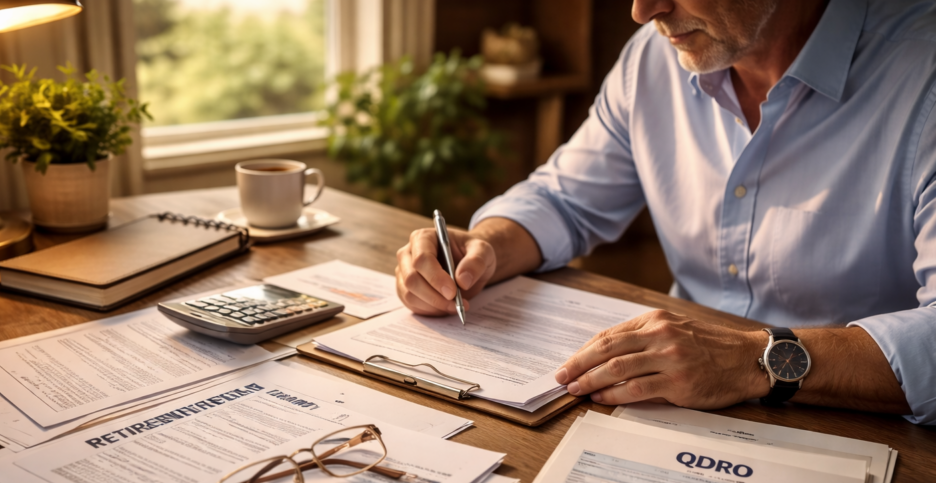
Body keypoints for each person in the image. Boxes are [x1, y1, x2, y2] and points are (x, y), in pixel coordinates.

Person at [394, 0, 936, 425]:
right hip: (673, 405)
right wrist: (486, 245)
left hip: (865, 429)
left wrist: (751, 361)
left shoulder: (923, 73)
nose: (642, 9)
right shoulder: (653, 58)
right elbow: (565, 199)